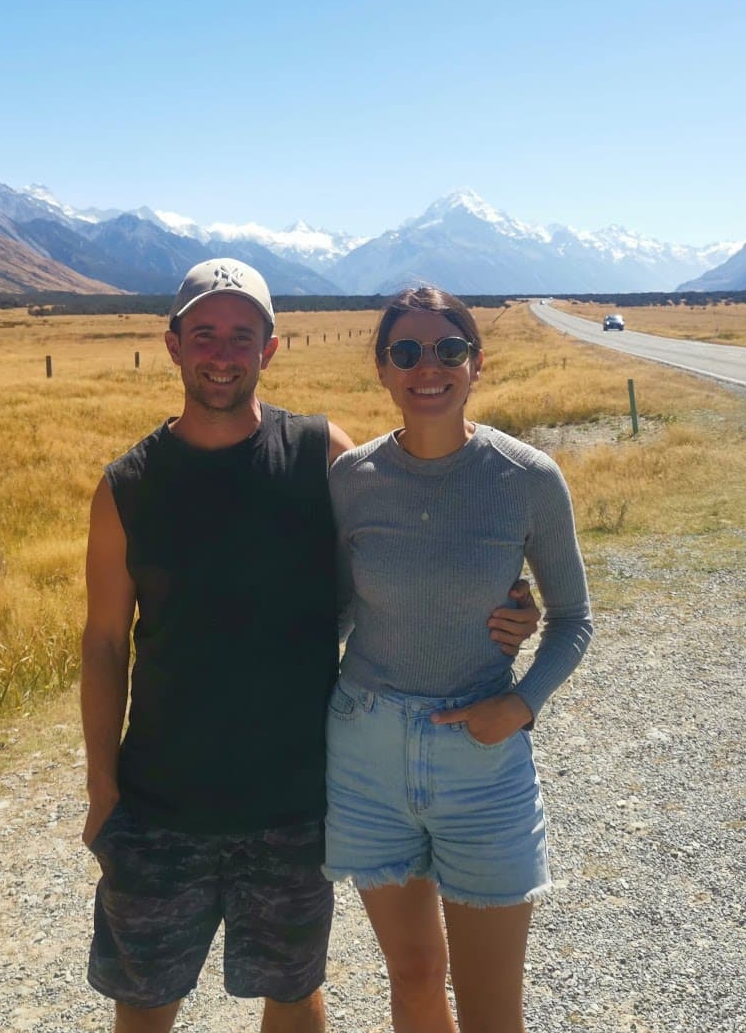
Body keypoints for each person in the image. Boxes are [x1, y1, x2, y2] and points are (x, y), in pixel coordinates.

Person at [80, 261, 540, 1033]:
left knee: (292, 994)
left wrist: (505, 603)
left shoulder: (320, 453)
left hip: (295, 798)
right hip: (159, 801)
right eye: (204, 334)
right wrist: (102, 789)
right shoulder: (127, 485)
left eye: (241, 335)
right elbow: (102, 643)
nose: (221, 353)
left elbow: (404, 556)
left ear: (272, 348)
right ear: (172, 345)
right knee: (145, 999)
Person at [324, 285, 593, 1033]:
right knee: (411, 976)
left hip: (482, 761)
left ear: (477, 363)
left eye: (448, 349)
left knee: (490, 1005)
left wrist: (521, 704)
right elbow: (341, 609)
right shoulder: (352, 481)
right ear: (383, 369)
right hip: (366, 752)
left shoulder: (527, 478)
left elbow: (574, 617)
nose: (427, 367)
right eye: (406, 352)